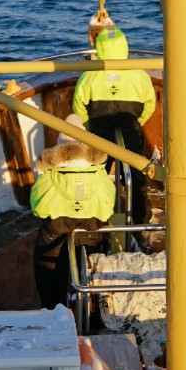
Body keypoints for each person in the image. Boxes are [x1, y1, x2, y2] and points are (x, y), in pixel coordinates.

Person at [66, 21, 157, 225]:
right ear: (124, 46)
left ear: (99, 48)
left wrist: (90, 125)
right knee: (135, 173)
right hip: (130, 129)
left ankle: (95, 217)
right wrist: (137, 121)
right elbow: (150, 103)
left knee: (97, 173)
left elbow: (78, 106)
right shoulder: (139, 74)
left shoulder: (89, 75)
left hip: (99, 130)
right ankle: (141, 218)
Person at [29, 140, 119, 310]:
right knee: (92, 271)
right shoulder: (100, 173)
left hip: (56, 228)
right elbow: (108, 207)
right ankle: (93, 313)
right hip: (91, 228)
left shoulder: (50, 173)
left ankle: (53, 311)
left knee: (48, 271)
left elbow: (38, 208)